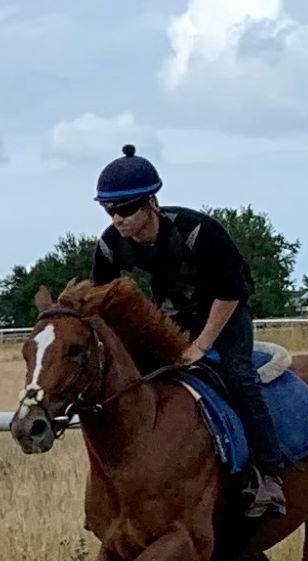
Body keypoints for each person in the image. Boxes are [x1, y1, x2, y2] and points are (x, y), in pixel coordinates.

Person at [90, 144, 286, 518]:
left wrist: (201, 345)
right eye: (109, 209)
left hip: (225, 312)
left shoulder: (200, 232)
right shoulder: (110, 246)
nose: (118, 219)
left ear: (151, 202)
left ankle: (270, 476)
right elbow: (100, 301)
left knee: (239, 377)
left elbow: (230, 292)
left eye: (127, 208)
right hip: (174, 314)